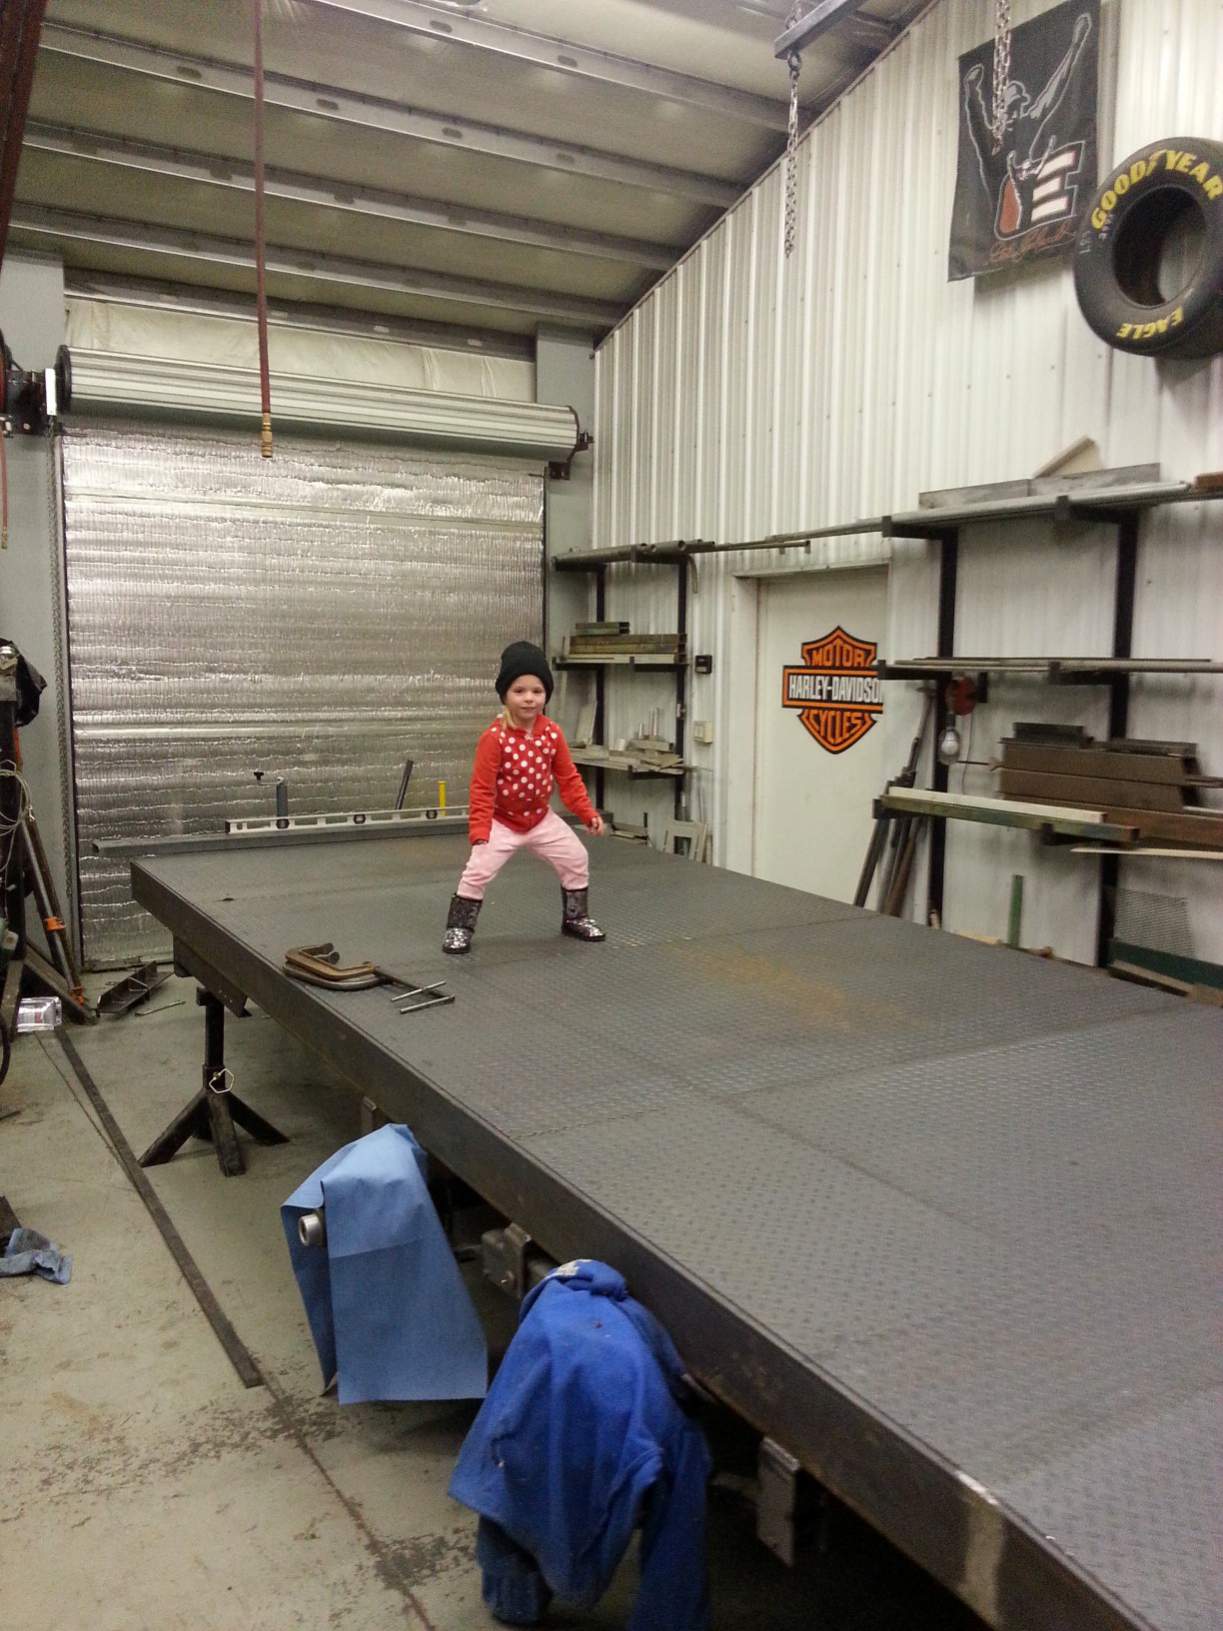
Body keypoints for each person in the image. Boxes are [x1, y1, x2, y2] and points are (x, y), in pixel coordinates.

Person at [443, 641, 606, 955]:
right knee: (477, 871)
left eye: (537, 691)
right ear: (505, 694)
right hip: (502, 822)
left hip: (541, 819)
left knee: (576, 858)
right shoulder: (494, 738)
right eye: (519, 691)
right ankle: (459, 927)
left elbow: (569, 778)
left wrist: (587, 813)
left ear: (546, 694)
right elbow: (482, 789)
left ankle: (576, 917)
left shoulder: (552, 733)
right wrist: (480, 830)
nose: (529, 698)